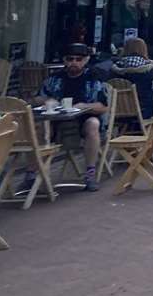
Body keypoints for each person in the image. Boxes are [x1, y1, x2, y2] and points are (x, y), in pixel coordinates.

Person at [38, 45, 110, 192]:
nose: (74, 62)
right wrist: (47, 102)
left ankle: (90, 173)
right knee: (38, 127)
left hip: (85, 119)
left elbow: (103, 106)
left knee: (93, 124)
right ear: (64, 60)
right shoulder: (55, 78)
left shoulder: (94, 77)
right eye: (70, 59)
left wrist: (85, 106)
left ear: (86, 60)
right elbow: (38, 97)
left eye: (79, 59)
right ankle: (32, 173)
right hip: (57, 120)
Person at [111, 37, 153, 120]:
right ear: (144, 50)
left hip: (117, 111)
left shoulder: (114, 69)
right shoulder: (148, 68)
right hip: (144, 111)